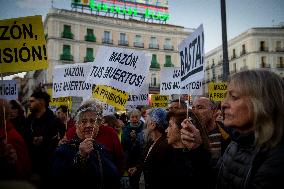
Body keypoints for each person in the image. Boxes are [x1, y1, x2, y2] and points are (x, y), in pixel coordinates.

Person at [182, 70, 284, 189]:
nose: (223, 104)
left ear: (263, 103)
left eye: (234, 97)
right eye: (226, 97)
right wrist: (197, 149)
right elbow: (214, 181)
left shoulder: (277, 160)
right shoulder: (236, 143)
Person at [52, 99, 120, 189]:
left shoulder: (102, 149)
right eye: (83, 121)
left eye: (92, 121)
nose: (88, 125)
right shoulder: (63, 151)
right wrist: (80, 157)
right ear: (77, 124)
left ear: (98, 125)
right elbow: (59, 180)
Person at [24, 90, 65, 188]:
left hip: (49, 167)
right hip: (32, 166)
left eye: (32, 101)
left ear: (41, 102)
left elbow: (61, 140)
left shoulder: (55, 121)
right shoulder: (29, 120)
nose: (29, 104)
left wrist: (44, 139)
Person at [166, 109, 212, 189]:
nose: (166, 130)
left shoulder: (198, 158)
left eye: (170, 126)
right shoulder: (166, 152)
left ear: (184, 129)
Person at [192, 96, 230, 165]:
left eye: (200, 107)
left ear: (213, 111)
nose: (194, 112)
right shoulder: (192, 135)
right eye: (193, 108)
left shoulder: (228, 132)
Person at [0, 99, 31, 181]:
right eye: (11, 108)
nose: (12, 110)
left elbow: (22, 169)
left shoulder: (12, 137)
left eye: (13, 108)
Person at [121, 109, 144, 189]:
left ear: (140, 117)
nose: (134, 119)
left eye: (136, 117)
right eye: (132, 117)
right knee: (133, 181)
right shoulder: (126, 129)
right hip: (130, 159)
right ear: (129, 118)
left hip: (141, 157)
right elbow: (123, 144)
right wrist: (131, 139)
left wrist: (136, 138)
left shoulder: (144, 127)